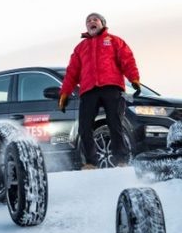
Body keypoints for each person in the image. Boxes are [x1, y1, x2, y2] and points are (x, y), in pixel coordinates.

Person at [58, 12, 142, 169]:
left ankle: (121, 161)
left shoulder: (115, 41)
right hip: (89, 90)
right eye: (88, 21)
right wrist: (64, 93)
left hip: (112, 87)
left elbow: (127, 60)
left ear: (102, 23)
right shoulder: (80, 48)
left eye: (95, 19)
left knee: (115, 123)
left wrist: (134, 79)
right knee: (84, 127)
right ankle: (91, 162)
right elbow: (72, 73)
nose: (91, 22)